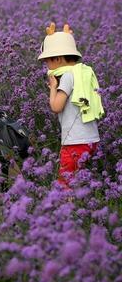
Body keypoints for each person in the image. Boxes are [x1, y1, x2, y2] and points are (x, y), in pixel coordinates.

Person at [40, 23, 104, 186]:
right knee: (81, 180)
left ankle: (68, 208)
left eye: (47, 61)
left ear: (58, 59)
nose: (47, 65)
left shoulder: (68, 77)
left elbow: (56, 106)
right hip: (91, 139)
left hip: (75, 141)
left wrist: (53, 88)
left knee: (66, 183)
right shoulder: (83, 72)